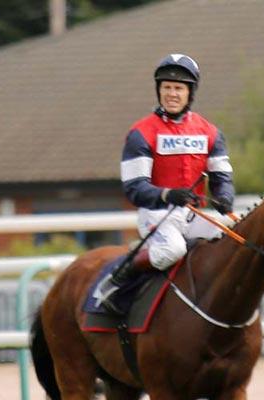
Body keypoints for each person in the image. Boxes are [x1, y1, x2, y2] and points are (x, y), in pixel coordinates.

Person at [95, 53, 235, 315]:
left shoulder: (210, 133)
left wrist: (224, 196)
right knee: (172, 250)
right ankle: (118, 280)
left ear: (189, 93)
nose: (172, 94)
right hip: (156, 214)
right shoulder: (141, 134)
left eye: (178, 88)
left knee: (234, 243)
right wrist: (169, 195)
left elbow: (221, 176)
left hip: (193, 215)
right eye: (167, 87)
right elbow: (135, 189)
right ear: (158, 90)